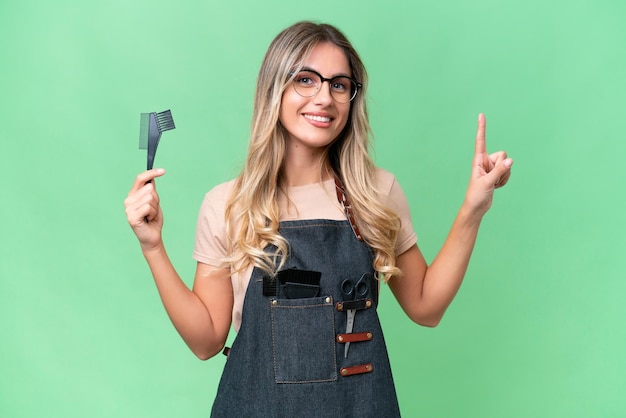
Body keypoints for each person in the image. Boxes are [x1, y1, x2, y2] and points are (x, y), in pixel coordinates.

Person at [124, 21, 512, 417]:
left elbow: (426, 308)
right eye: (306, 80)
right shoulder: (228, 204)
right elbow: (206, 341)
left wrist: (473, 209)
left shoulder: (375, 193)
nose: (324, 97)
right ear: (274, 89)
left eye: (339, 84)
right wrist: (152, 246)